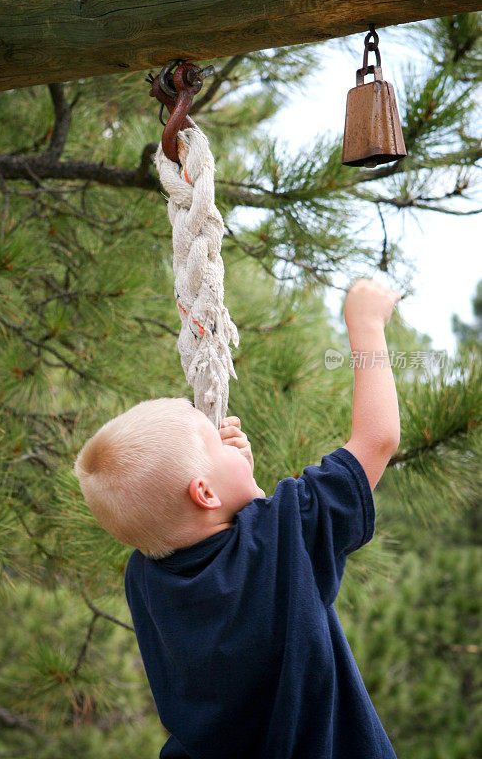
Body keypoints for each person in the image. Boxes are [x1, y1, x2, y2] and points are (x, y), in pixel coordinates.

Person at [74, 277, 402, 758]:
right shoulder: (283, 530)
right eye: (214, 444)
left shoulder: (146, 577)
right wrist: (366, 325)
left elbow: (233, 571)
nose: (227, 439)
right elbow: (377, 440)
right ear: (204, 493)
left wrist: (234, 484)